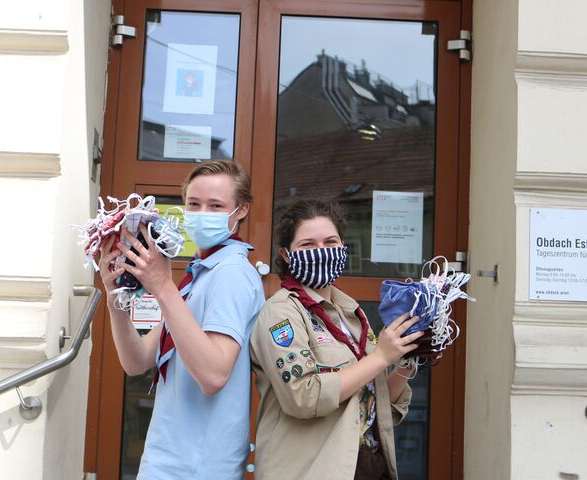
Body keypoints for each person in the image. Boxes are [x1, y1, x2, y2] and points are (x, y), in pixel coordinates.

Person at [97, 160, 265, 479]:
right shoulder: (198, 276)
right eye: (193, 204)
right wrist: (114, 295)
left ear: (241, 211)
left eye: (216, 206)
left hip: (199, 465)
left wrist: (162, 286)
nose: (202, 213)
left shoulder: (231, 274)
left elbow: (214, 375)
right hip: (168, 459)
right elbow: (137, 362)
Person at [250, 199, 424, 479]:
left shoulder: (350, 311)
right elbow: (303, 397)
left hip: (365, 466)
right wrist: (380, 357)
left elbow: (373, 402)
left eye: (330, 242)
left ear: (343, 247)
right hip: (309, 470)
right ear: (285, 254)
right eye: (308, 245)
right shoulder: (281, 313)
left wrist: (405, 361)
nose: (322, 252)